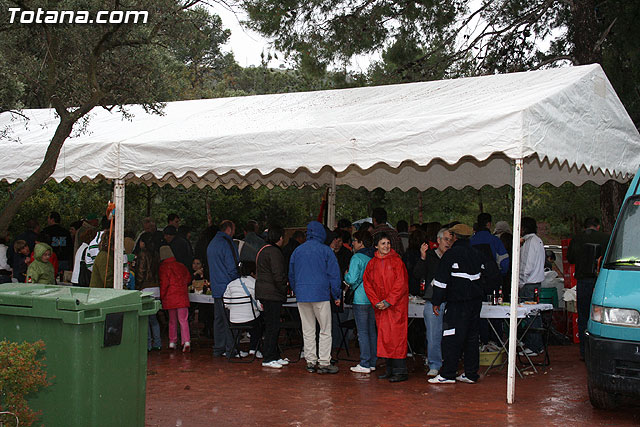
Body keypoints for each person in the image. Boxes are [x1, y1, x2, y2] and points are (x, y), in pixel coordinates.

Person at [429, 223, 484, 385]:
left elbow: (440, 282)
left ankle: (448, 374)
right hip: (475, 303)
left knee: (452, 337)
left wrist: (436, 301)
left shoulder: (451, 254)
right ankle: (471, 374)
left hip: (457, 303)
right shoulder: (478, 254)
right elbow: (490, 276)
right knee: (472, 338)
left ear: (454, 237)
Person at [289, 221, 341, 374]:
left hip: (302, 295)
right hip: (321, 294)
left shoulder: (297, 251)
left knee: (308, 328)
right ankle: (324, 362)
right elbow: (334, 275)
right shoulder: (326, 251)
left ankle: (310, 361)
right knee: (324, 329)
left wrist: (296, 290)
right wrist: (336, 294)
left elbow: (291, 274)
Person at [363, 232, 409, 382]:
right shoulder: (372, 264)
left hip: (395, 307)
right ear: (376, 246)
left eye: (388, 243)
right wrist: (376, 301)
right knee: (385, 338)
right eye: (383, 243)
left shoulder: (397, 262)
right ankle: (390, 369)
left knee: (396, 338)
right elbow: (367, 284)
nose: (386, 246)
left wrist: (388, 301)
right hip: (381, 307)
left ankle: (400, 371)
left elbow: (400, 284)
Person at [567, 217, 610, 360]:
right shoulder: (606, 238)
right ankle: (603, 351)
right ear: (597, 226)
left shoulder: (576, 238)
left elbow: (570, 259)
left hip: (583, 280)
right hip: (603, 281)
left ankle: (585, 352)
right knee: (604, 316)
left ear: (585, 227)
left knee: (584, 316)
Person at [413, 228, 454, 377]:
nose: (448, 243)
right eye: (445, 239)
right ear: (438, 240)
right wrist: (422, 257)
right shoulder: (430, 256)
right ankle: (434, 364)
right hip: (433, 299)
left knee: (450, 334)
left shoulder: (453, 256)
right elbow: (417, 274)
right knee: (433, 334)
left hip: (450, 300)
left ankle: (450, 363)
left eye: (450, 240)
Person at [207, 220, 246, 358]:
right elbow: (232, 266)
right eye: (234, 229)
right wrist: (237, 280)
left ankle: (219, 348)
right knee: (232, 320)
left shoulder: (211, 244)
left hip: (216, 287)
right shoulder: (227, 243)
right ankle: (232, 349)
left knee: (218, 320)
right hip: (228, 288)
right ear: (229, 229)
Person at [255, 225, 289, 369]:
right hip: (272, 293)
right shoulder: (274, 252)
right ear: (279, 238)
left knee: (271, 325)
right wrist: (283, 290)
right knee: (273, 326)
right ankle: (268, 357)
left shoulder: (262, 250)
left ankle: (274, 355)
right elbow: (278, 275)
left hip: (264, 292)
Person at [344, 229, 376, 373]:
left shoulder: (357, 258)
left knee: (362, 331)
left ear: (361, 242)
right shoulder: (374, 257)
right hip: (372, 298)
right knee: (371, 331)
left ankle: (364, 362)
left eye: (355, 241)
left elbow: (352, 279)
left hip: (360, 298)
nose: (353, 243)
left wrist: (346, 276)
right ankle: (373, 361)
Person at [224, 261, 265, 362]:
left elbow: (226, 303)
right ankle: (253, 348)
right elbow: (260, 305)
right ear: (252, 272)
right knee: (260, 321)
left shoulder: (231, 284)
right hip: (251, 319)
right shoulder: (255, 283)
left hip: (234, 320)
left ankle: (238, 349)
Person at [518, 217, 546, 357]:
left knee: (530, 315)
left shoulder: (530, 242)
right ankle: (536, 344)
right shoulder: (538, 241)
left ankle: (534, 346)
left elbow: (525, 267)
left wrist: (519, 283)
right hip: (535, 282)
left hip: (528, 283)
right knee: (534, 314)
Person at [158, 245, 192, 352]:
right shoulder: (181, 266)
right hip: (182, 296)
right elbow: (188, 278)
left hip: (170, 297)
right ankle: (186, 341)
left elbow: (164, 284)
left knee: (172, 321)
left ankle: (172, 342)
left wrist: (161, 297)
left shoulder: (163, 268)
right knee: (183, 320)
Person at [136, 232, 162, 351]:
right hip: (156, 288)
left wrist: (138, 285)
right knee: (154, 318)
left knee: (145, 318)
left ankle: (148, 345)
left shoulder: (142, 254)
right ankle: (158, 342)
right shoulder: (156, 254)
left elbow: (141, 271)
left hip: (146, 288)